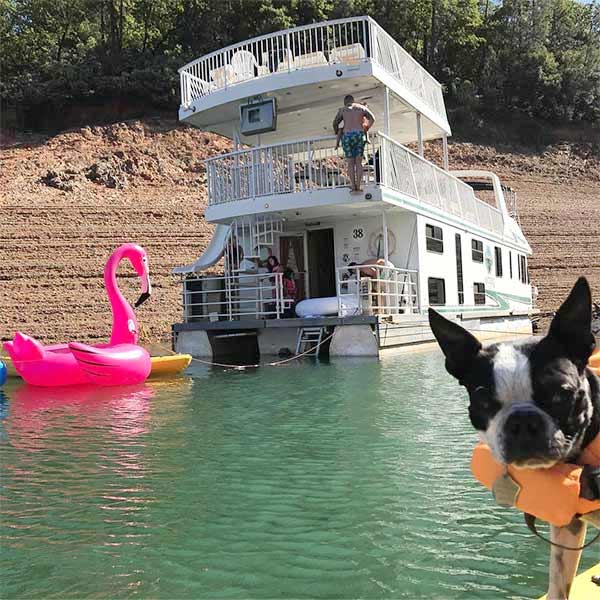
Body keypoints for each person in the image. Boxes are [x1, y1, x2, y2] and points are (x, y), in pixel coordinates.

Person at [332, 95, 375, 192]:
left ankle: (353, 186)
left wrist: (336, 132)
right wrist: (367, 127)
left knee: (350, 164)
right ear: (353, 101)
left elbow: (335, 122)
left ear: (345, 102)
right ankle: (358, 186)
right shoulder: (361, 108)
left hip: (347, 136)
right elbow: (372, 118)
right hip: (358, 135)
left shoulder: (343, 110)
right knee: (358, 163)